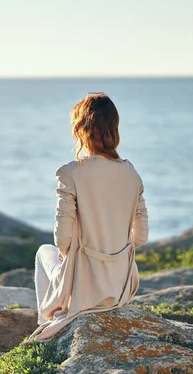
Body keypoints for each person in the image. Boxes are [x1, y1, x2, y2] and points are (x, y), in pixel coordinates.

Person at [28, 92, 149, 342]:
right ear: (114, 128)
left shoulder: (70, 173)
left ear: (81, 129)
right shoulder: (131, 173)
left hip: (83, 287)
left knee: (43, 252)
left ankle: (45, 322)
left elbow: (62, 241)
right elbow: (142, 236)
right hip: (118, 287)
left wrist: (72, 267)